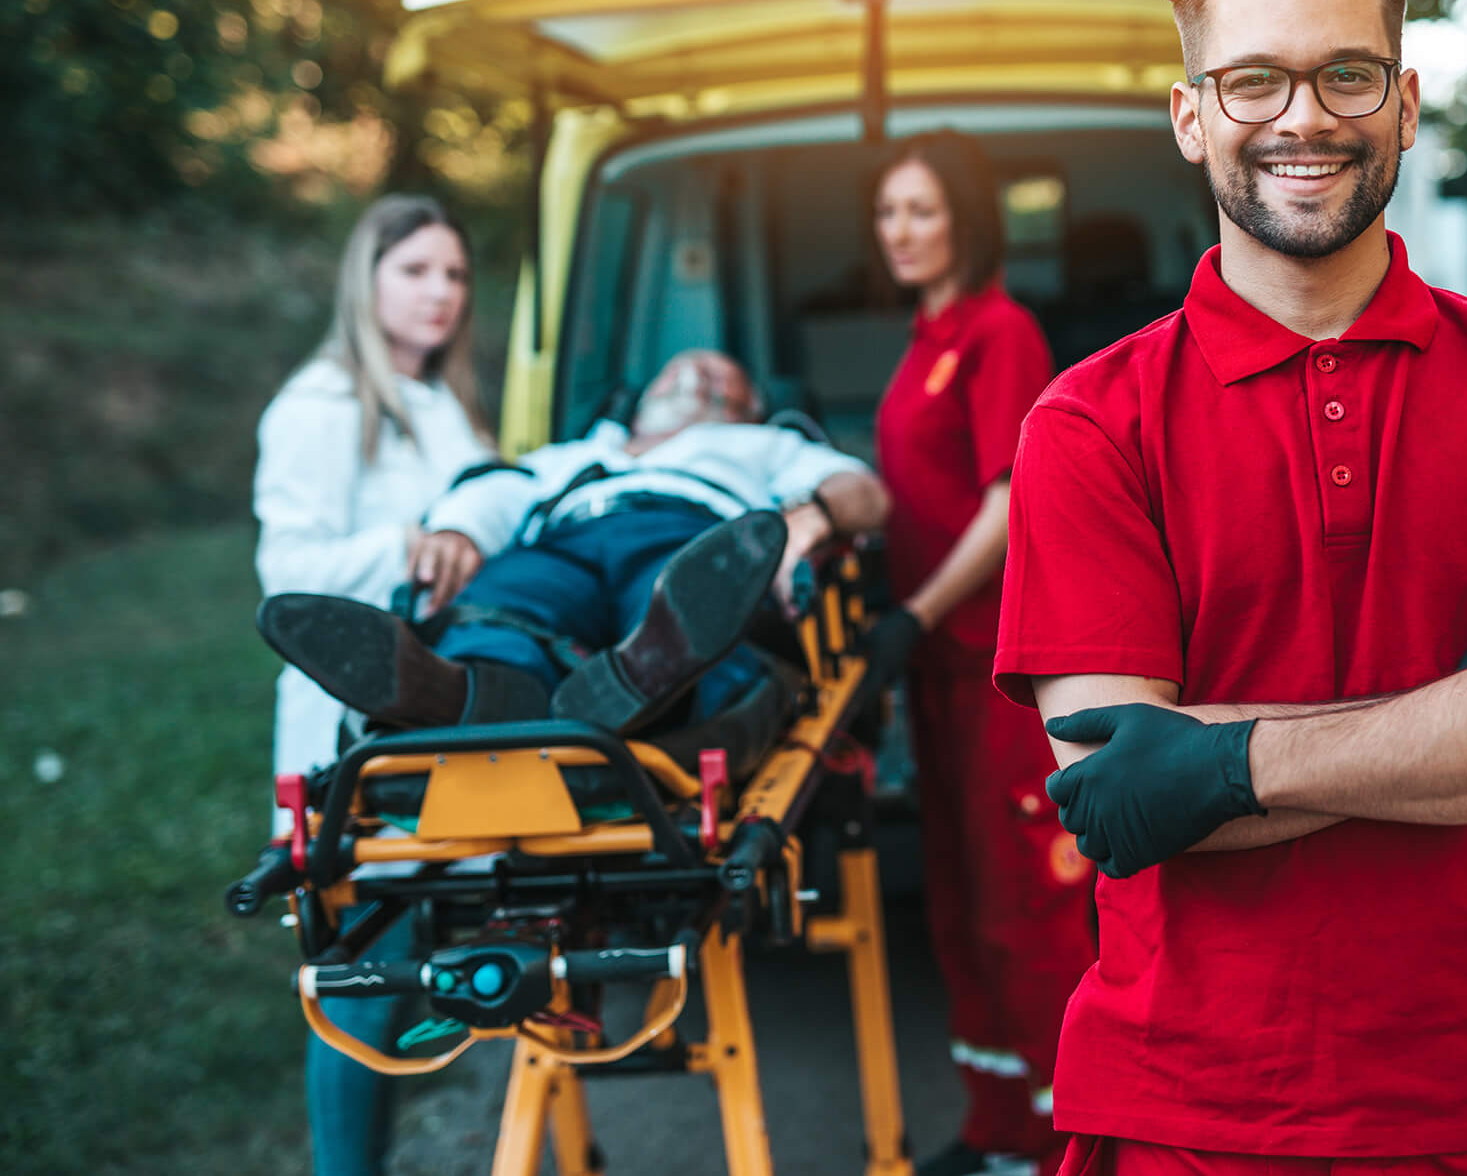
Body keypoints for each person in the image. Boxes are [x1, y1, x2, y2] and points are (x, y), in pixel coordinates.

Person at [994, 0, 1467, 1176]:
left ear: (1405, 103)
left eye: (1345, 75)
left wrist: (1220, 760)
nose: (1302, 118)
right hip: (1181, 1109)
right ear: (1191, 114)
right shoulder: (1085, 423)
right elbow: (1114, 791)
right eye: (1252, 79)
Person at [258, 348, 890, 756]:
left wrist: (813, 517)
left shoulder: (763, 446)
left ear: (749, 409)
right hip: (564, 538)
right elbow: (501, 491)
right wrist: (458, 531)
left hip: (691, 535)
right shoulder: (581, 453)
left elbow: (863, 493)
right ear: (642, 403)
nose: (695, 374)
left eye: (719, 379)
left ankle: (642, 680)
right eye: (675, 371)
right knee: (502, 606)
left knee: (684, 603)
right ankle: (454, 690)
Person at [863, 130, 1094, 1176]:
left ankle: (1071, 1144)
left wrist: (911, 610)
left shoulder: (1000, 333)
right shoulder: (925, 338)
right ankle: (998, 1127)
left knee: (1027, 906)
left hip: (998, 665)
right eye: (886, 213)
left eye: (919, 208)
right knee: (958, 900)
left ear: (964, 212)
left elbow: (1008, 504)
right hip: (936, 667)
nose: (900, 231)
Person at [252, 193, 498, 1176]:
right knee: (360, 986)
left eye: (455, 276)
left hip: (437, 726)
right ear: (368, 279)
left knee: (431, 969)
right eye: (416, 272)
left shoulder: (440, 403)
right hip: (347, 740)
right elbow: (287, 580)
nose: (440, 293)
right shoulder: (319, 407)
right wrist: (411, 547)